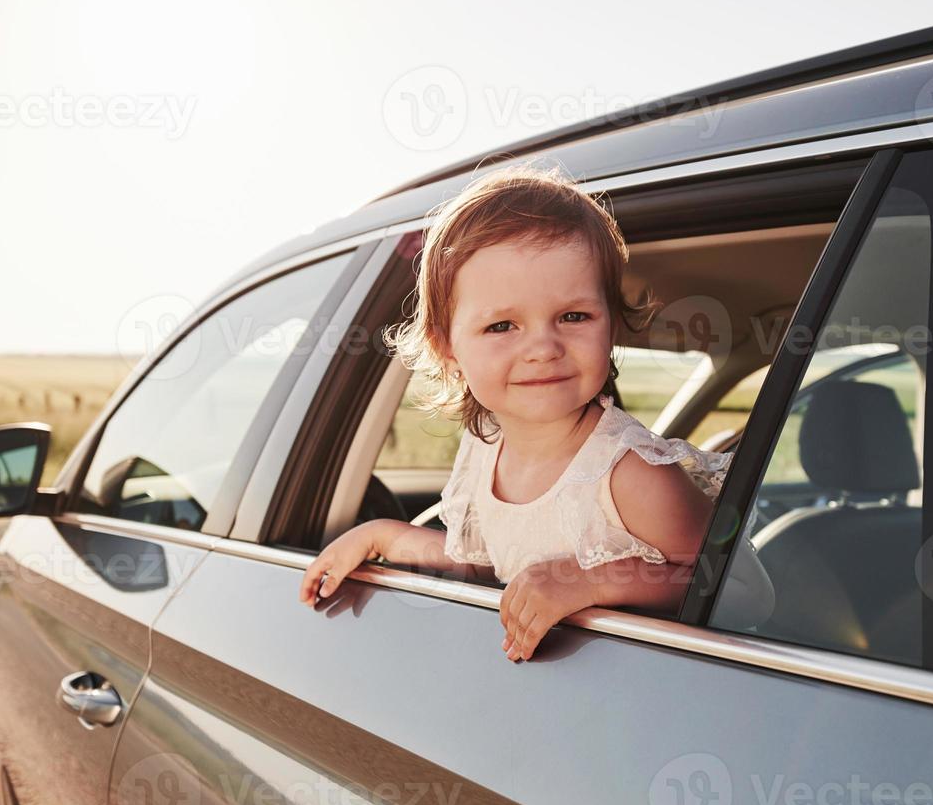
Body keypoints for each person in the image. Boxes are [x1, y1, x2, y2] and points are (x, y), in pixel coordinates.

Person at [297, 162, 733, 661]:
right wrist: (382, 536)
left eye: (573, 316)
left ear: (611, 326)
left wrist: (588, 580)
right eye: (503, 326)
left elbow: (729, 584)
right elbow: (485, 563)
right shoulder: (485, 451)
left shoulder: (627, 470)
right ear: (447, 349)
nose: (543, 347)